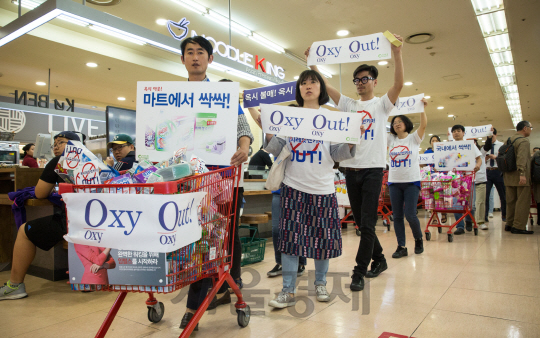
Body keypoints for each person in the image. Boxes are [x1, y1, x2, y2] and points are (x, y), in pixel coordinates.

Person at [306, 32, 404, 291]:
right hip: (351, 169)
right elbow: (325, 87)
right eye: (357, 80)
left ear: (373, 81)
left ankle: (359, 272)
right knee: (362, 222)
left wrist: (397, 53)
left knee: (368, 224)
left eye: (365, 79)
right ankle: (380, 259)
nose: (360, 83)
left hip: (373, 170)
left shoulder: (382, 105)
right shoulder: (348, 104)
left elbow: (399, 84)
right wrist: (313, 64)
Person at [265, 69, 361, 308]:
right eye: (303, 83)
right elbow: (278, 148)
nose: (308, 86)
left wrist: (351, 139)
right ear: (299, 89)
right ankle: (287, 290)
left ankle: (320, 283)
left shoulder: (332, 118)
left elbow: (337, 153)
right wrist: (267, 128)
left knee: (323, 240)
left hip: (323, 189)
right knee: (289, 241)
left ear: (321, 88)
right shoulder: (290, 118)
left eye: (313, 82)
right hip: (292, 187)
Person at [178, 36, 253, 331]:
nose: (195, 57)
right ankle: (221, 289)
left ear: (210, 59)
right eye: (189, 52)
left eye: (201, 53)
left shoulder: (222, 95)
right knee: (192, 240)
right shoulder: (172, 96)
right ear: (182, 59)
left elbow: (242, 127)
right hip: (186, 182)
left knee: (214, 240)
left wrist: (245, 145)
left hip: (220, 181)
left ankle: (194, 306)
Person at [0, 131, 80, 300]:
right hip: (98, 221)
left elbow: (40, 193)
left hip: (73, 221)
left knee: (24, 231)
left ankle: (15, 285)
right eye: (55, 143)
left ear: (74, 145)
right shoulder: (94, 162)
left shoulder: (59, 162)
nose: (56, 147)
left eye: (61, 142)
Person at [244, 103, 307, 277]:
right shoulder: (280, 136)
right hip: (279, 190)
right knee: (277, 229)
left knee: (298, 229)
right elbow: (261, 123)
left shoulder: (306, 136)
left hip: (299, 189)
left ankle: (300, 263)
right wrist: (250, 104)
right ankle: (280, 262)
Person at [387, 105, 427, 258]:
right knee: (397, 216)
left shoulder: (413, 138)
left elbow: (423, 125)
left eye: (400, 121)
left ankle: (418, 239)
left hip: (411, 181)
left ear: (406, 124)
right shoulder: (391, 139)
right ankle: (401, 246)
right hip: (394, 182)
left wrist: (422, 108)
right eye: (394, 122)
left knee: (410, 214)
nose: (396, 124)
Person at [449, 125, 482, 235]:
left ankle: (469, 220)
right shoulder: (449, 146)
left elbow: (479, 159)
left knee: (470, 204)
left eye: (458, 131)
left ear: (463, 133)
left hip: (469, 177)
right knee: (457, 203)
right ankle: (460, 226)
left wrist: (477, 165)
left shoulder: (470, 145)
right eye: (454, 131)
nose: (456, 133)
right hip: (455, 179)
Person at [504, 121, 533, 234]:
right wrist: (522, 174)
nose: (531, 130)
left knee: (511, 201)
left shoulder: (509, 140)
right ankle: (519, 226)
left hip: (508, 176)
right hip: (520, 177)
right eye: (530, 127)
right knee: (522, 202)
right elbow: (522, 158)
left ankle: (509, 224)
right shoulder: (523, 141)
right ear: (525, 128)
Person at [464, 135, 492, 230]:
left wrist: (489, 137)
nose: (472, 143)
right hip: (469, 181)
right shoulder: (464, 153)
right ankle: (470, 221)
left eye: (474, 141)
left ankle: (480, 222)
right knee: (470, 204)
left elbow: (488, 145)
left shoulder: (481, 151)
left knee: (480, 202)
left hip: (480, 180)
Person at [484, 128, 506, 223]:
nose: (491, 138)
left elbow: (504, 158)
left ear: (496, 135)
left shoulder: (501, 145)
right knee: (486, 195)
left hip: (498, 171)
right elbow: (481, 159)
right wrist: (486, 158)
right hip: (487, 171)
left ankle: (504, 215)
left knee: (503, 195)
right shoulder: (485, 146)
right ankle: (485, 216)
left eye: (492, 136)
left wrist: (496, 157)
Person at [423, 135, 447, 224]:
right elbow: (423, 164)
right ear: (430, 143)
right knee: (431, 198)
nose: (435, 142)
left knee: (440, 197)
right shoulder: (427, 153)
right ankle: (434, 217)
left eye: (437, 140)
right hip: (430, 179)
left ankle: (444, 213)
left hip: (441, 178)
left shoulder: (443, 152)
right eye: (433, 140)